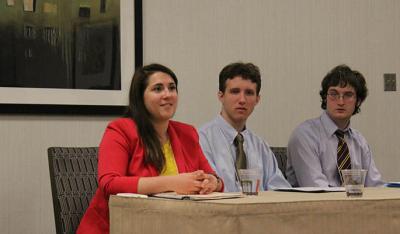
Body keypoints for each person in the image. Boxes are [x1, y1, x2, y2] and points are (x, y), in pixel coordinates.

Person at [77, 64, 223, 234]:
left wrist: (213, 182)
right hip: (123, 227)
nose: (167, 94)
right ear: (140, 97)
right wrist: (173, 183)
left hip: (176, 225)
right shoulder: (120, 130)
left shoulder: (187, 133)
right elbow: (110, 183)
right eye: (158, 89)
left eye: (172, 88)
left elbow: (213, 176)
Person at [286, 64, 384, 187]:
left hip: (354, 205)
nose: (341, 102)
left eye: (348, 95)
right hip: (315, 205)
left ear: (358, 101)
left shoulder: (359, 141)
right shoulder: (305, 135)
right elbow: (316, 189)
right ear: (325, 98)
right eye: (334, 94)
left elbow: (375, 187)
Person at [199, 62, 290, 192]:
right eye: (235, 92)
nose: (242, 99)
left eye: (249, 93)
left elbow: (281, 191)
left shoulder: (260, 145)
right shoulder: (202, 140)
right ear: (221, 96)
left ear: (257, 99)